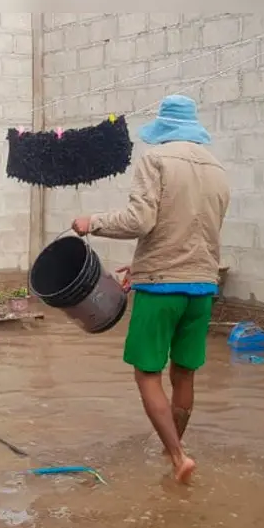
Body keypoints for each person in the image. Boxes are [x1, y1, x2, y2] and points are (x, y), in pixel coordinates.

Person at [71, 95, 230, 484]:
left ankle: (177, 457)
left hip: (161, 289)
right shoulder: (217, 169)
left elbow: (140, 220)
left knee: (147, 374)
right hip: (203, 286)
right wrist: (143, 265)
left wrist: (92, 222)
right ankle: (173, 450)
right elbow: (195, 230)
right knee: (185, 374)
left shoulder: (155, 160)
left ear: (163, 128)